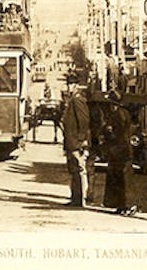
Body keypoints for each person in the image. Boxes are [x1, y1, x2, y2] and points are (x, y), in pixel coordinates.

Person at [102, 90, 137, 216]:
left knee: (124, 179)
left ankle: (129, 205)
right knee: (116, 179)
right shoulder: (117, 113)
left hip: (122, 151)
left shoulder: (120, 114)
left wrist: (109, 131)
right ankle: (120, 205)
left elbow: (121, 134)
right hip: (117, 151)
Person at [61, 75, 91, 207]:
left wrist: (81, 139)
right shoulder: (73, 99)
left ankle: (80, 199)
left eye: (70, 85)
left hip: (75, 142)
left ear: (75, 85)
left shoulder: (77, 100)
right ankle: (75, 198)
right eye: (68, 84)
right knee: (73, 170)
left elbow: (84, 120)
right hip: (71, 141)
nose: (68, 87)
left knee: (78, 169)